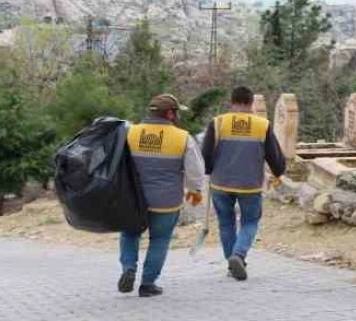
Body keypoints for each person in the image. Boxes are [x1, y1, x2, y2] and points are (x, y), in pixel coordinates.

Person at [118, 94, 206, 297]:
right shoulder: (182, 137)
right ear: (169, 113)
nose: (177, 116)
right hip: (166, 202)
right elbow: (195, 171)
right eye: (176, 112)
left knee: (129, 234)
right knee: (160, 240)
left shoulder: (130, 133)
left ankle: (128, 269)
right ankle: (147, 284)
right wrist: (195, 191)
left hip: (134, 201)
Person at [201, 86, 286, 281]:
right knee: (250, 221)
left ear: (232, 102)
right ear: (251, 103)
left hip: (220, 184)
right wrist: (278, 171)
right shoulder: (262, 125)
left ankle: (232, 265)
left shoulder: (218, 122)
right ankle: (238, 255)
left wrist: (209, 171)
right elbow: (275, 158)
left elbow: (205, 154)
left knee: (225, 223)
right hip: (250, 185)